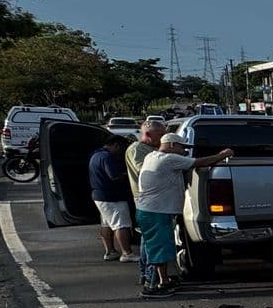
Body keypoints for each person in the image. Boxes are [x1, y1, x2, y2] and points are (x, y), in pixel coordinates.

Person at [135, 132, 232, 298]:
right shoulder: (169, 159)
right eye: (182, 147)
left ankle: (156, 279)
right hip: (157, 211)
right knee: (159, 248)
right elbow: (199, 162)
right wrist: (223, 155)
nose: (184, 151)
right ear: (172, 145)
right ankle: (154, 285)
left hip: (149, 210)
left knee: (152, 247)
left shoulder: (152, 156)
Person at [126, 120, 165, 287]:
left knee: (147, 239)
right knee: (152, 241)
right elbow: (146, 171)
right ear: (148, 135)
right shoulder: (137, 149)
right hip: (147, 201)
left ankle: (146, 274)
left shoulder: (151, 149)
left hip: (155, 200)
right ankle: (150, 276)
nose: (162, 139)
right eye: (160, 135)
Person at [89, 136, 136, 262]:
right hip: (112, 196)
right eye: (122, 149)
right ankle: (127, 253)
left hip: (100, 195)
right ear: (116, 145)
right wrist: (129, 175)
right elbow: (114, 176)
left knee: (107, 224)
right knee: (121, 224)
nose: (121, 153)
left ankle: (110, 251)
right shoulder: (107, 157)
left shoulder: (96, 155)